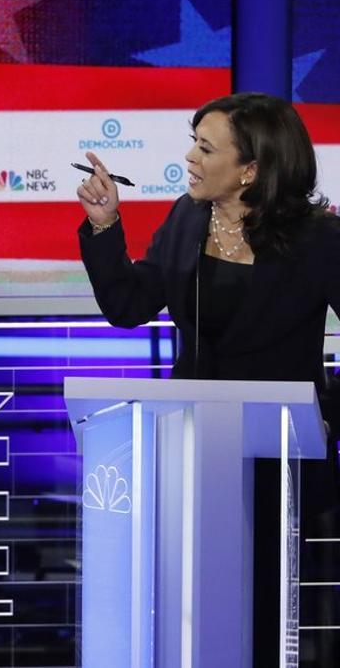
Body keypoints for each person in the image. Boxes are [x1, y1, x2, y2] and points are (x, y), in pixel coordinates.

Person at [76, 91, 339, 665]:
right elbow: (129, 304)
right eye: (193, 144)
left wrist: (329, 412)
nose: (190, 159)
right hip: (190, 455)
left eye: (204, 147)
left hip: (278, 463)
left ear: (252, 168)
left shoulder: (319, 239)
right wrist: (104, 228)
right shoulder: (186, 217)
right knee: (186, 613)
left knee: (262, 618)